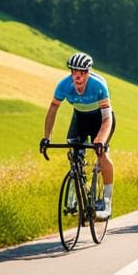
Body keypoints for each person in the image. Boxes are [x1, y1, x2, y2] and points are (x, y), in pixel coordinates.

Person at [40, 52, 115, 219]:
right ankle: (76, 191)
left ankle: (107, 201)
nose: (77, 77)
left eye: (81, 73)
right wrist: (47, 138)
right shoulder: (64, 85)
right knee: (74, 154)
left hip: (101, 120)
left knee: (102, 155)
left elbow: (107, 118)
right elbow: (53, 110)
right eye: (74, 72)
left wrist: (100, 140)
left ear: (88, 73)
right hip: (80, 119)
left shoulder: (99, 85)